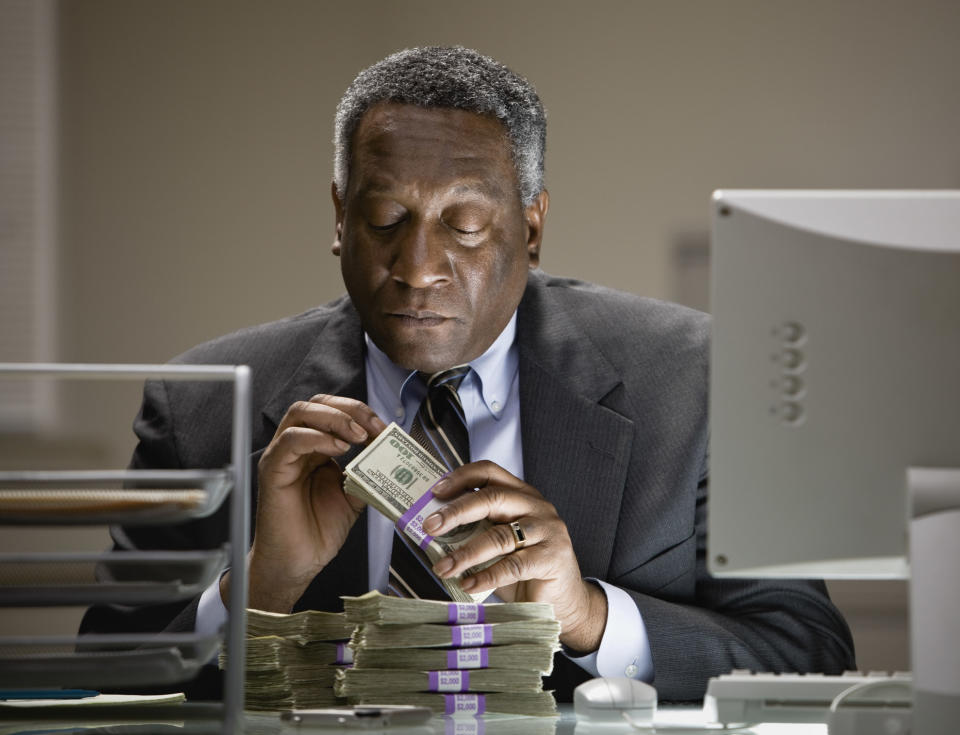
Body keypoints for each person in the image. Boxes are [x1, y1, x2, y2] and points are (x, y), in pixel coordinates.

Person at [81, 46, 854, 701]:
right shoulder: (202, 401)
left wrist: (589, 615)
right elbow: (104, 679)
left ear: (534, 225)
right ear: (339, 218)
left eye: (466, 225)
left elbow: (809, 651)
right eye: (385, 221)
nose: (417, 269)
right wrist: (259, 589)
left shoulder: (696, 379)